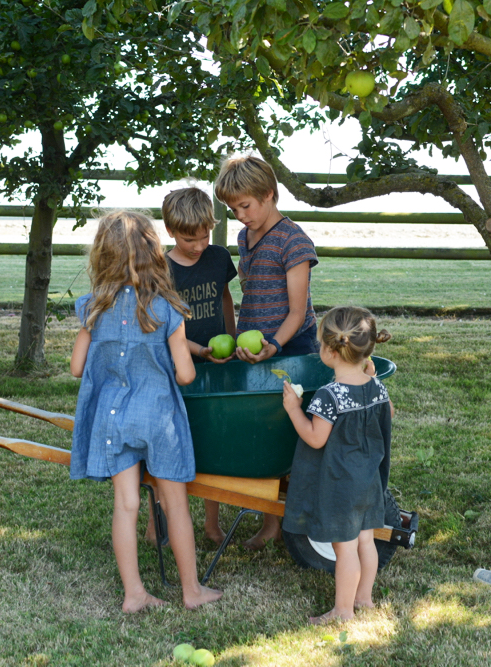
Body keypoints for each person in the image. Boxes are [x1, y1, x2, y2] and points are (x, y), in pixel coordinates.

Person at [70, 210, 222, 613]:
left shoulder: (92, 307)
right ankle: (192, 591)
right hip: (159, 419)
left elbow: (76, 368)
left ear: (102, 255)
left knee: (126, 505)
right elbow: (187, 375)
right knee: (176, 505)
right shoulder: (169, 309)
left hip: (112, 418)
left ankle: (134, 594)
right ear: (154, 252)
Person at [214, 154, 320, 549]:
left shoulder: (293, 240)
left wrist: (274, 345)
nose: (240, 216)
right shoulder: (245, 238)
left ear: (270, 194)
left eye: (246, 206)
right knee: (262, 431)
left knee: (288, 435)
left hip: (292, 346)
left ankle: (282, 522)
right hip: (254, 346)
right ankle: (269, 517)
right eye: (232, 209)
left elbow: (297, 311)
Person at [280, 306, 394, 624]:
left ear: (330, 351)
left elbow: (316, 439)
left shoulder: (329, 395)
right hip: (369, 479)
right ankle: (364, 598)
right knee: (366, 542)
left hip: (340, 482)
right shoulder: (377, 386)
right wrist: (369, 377)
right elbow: (389, 414)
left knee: (344, 549)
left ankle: (342, 611)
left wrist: (293, 409)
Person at [147, 186, 237, 545]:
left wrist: (232, 338)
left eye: (205, 236)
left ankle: (211, 524)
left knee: (211, 443)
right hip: (176, 367)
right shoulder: (161, 269)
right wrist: (199, 351)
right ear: (170, 231)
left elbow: (225, 298)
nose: (199, 246)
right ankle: (158, 523)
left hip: (218, 364)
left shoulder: (218, 257)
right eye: (189, 239)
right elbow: (160, 326)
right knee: (166, 445)